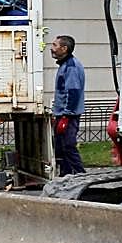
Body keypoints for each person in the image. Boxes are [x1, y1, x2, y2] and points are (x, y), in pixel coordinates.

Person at [50, 34, 85, 176]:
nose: (51, 48)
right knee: (61, 149)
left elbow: (73, 91)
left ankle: (80, 176)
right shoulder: (65, 65)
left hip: (68, 116)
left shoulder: (71, 67)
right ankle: (66, 176)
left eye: (54, 45)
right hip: (63, 114)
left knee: (68, 146)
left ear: (64, 48)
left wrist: (66, 115)